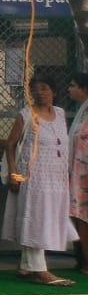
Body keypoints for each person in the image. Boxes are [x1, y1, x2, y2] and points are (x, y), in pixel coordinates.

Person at [3, 73, 75, 286]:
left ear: (54, 91)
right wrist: (13, 173)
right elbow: (10, 145)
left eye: (44, 88)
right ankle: (40, 270)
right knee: (36, 219)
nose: (40, 92)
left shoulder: (60, 114)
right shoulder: (26, 115)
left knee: (46, 218)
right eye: (36, 88)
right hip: (33, 177)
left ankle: (27, 265)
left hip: (56, 177)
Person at [66, 72, 88, 272]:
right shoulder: (82, 110)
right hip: (78, 173)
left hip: (84, 172)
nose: (69, 89)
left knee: (83, 216)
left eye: (73, 85)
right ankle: (82, 258)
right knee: (80, 215)